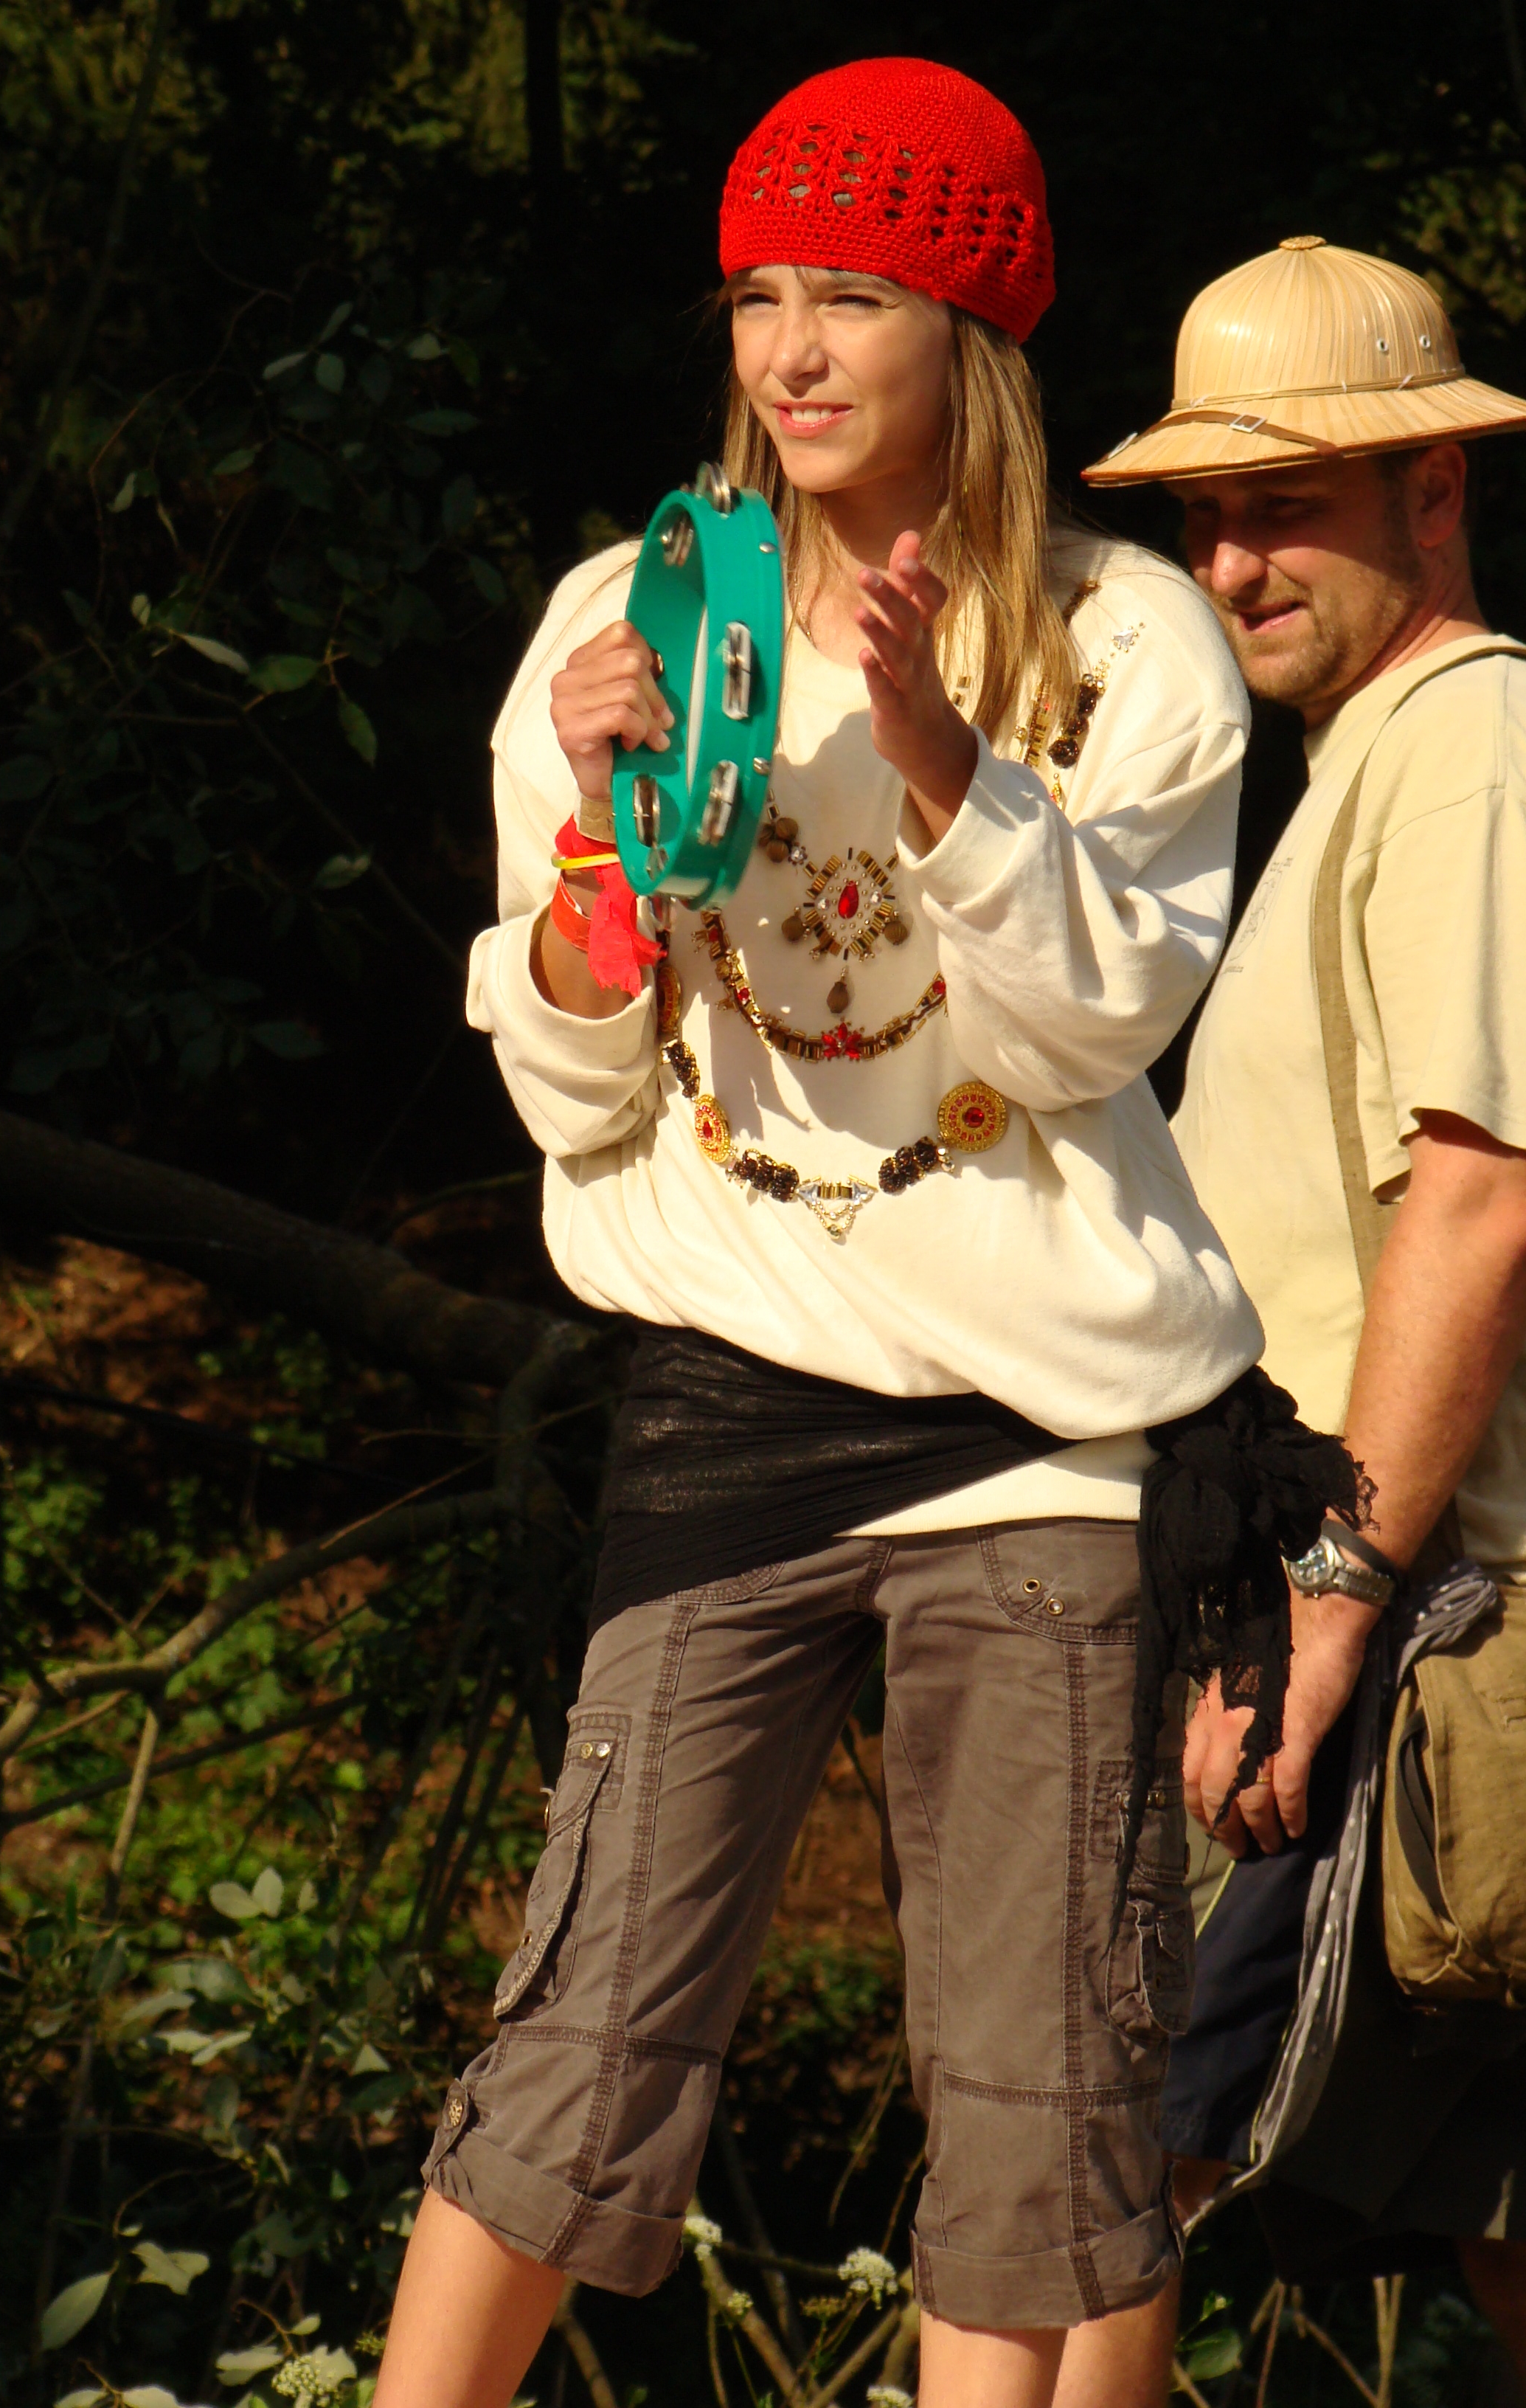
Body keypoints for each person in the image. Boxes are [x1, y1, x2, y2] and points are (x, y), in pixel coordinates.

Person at [374, 67, 1355, 2408]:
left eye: (856, 297)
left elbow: (1105, 1023)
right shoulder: (625, 621)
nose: (793, 350)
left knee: (1036, 2096)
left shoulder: (1123, 641)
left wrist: (940, 760)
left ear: (970, 333)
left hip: (1036, 1444)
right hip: (728, 1402)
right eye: (759, 298)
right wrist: (606, 837)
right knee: (581, 2043)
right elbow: (577, 1083)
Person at [1061, 236, 1526, 2407]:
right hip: (1401, 1604)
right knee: (1501, 2227)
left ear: (1436, 487)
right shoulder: (1370, 760)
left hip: (1406, 1624)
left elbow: (1481, 1192)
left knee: (1109, 2175)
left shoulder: (1471, 732)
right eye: (1206, 515)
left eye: (1292, 506)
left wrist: (1323, 1614)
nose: (1232, 561)